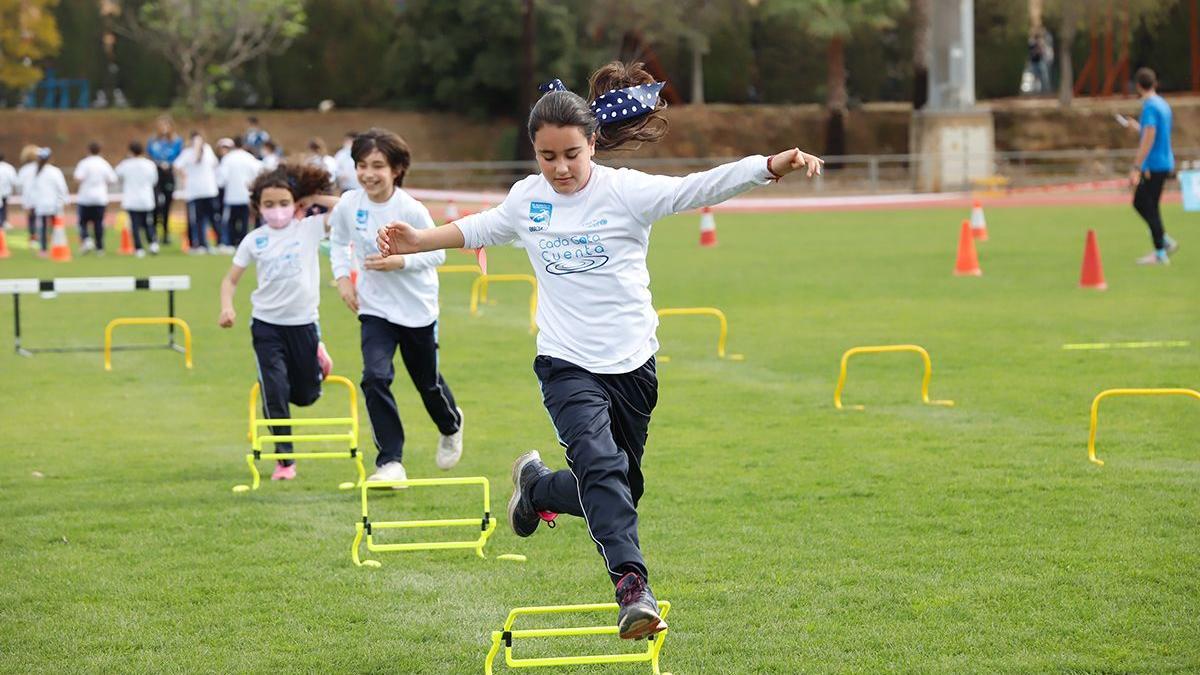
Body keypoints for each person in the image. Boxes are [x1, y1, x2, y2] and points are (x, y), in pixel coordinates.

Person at [376, 62, 823, 640]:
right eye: (546, 156)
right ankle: (633, 588)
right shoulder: (528, 200)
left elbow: (699, 187)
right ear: (533, 153)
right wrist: (419, 241)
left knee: (620, 488)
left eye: (570, 155)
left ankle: (536, 488)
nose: (559, 168)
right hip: (566, 362)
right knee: (603, 468)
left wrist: (769, 166)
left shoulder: (626, 192)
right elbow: (481, 227)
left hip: (633, 363)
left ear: (592, 144)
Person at [328, 129, 464, 486]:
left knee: (427, 384)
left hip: (417, 309)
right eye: (361, 165)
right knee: (374, 377)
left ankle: (451, 425)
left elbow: (439, 253)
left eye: (377, 166)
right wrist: (343, 279)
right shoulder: (348, 205)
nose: (368, 174)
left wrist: (400, 261)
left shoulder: (409, 208)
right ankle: (390, 462)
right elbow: (338, 242)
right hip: (374, 309)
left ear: (397, 169)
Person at [218, 163, 339, 481]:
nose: (276, 210)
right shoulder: (254, 240)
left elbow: (347, 209)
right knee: (274, 389)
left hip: (303, 324)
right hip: (266, 326)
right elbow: (230, 281)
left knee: (305, 396)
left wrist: (313, 196)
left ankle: (317, 358)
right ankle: (285, 462)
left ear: (295, 203)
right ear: (257, 207)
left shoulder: (309, 228)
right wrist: (227, 307)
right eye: (268, 204)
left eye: (283, 203)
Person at [1121, 67, 1178, 265]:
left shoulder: (1150, 107)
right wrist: (1137, 127)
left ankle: (1161, 250)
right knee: (1149, 205)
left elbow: (1150, 137)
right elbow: (1152, 132)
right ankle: (1162, 241)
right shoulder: (1163, 104)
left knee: (1143, 204)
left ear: (1138, 86)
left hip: (1154, 165)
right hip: (1165, 161)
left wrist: (1136, 166)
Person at [174, 131, 221, 254]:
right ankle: (200, 244)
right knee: (198, 220)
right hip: (194, 192)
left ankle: (220, 242)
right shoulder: (187, 153)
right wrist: (183, 175)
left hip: (209, 190)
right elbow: (177, 165)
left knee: (213, 218)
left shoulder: (207, 150)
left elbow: (214, 164)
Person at [115, 141, 160, 257]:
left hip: (132, 199)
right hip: (146, 198)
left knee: (135, 225)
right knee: (148, 223)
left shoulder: (125, 164)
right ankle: (152, 244)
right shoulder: (150, 164)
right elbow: (154, 181)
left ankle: (139, 248)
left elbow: (117, 175)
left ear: (130, 152)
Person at [217, 136, 263, 248]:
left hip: (231, 196)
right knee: (245, 221)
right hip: (246, 195)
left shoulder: (228, 158)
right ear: (244, 145)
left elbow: (221, 179)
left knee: (231, 221)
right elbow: (259, 172)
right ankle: (242, 243)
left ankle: (231, 242)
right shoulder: (249, 157)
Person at [73, 142, 118, 255]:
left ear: (88, 150)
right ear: (100, 150)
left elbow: (77, 178)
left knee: (82, 222)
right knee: (98, 223)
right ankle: (100, 248)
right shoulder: (104, 164)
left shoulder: (84, 163)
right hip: (100, 197)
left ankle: (87, 239)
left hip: (85, 197)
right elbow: (113, 179)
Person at [147, 115, 183, 245]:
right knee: (156, 204)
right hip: (157, 174)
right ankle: (154, 232)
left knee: (168, 205)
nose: (163, 128)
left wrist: (170, 164)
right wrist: (158, 163)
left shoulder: (177, 141)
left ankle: (166, 233)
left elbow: (179, 156)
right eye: (161, 125)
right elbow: (150, 156)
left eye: (166, 125)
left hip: (169, 174)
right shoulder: (153, 141)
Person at [30, 148, 68, 255]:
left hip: (41, 204)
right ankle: (54, 246)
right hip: (54, 204)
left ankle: (43, 249)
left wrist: (30, 203)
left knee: (42, 227)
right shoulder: (54, 171)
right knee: (55, 227)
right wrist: (65, 200)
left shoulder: (36, 172)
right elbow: (62, 187)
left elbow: (32, 189)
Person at [15, 146, 40, 249]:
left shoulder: (23, 170)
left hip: (28, 199)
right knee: (42, 218)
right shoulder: (41, 167)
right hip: (40, 198)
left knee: (31, 219)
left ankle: (33, 238)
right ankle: (43, 237)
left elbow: (19, 186)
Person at [0, 152, 16, 230]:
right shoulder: (8, 168)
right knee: (4, 207)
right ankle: (4, 221)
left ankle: (2, 222)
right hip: (5, 191)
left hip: (4, 191)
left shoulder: (8, 167)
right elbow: (13, 180)